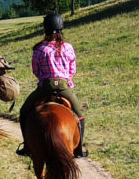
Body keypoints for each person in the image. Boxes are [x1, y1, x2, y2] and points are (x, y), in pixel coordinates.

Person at [16, 13, 88, 158]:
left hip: (44, 87)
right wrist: (65, 77)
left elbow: (35, 70)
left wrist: (45, 77)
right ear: (61, 29)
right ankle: (79, 148)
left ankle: (27, 146)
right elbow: (72, 69)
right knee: (80, 115)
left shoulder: (39, 49)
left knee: (24, 112)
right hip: (63, 87)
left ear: (45, 29)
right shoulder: (68, 47)